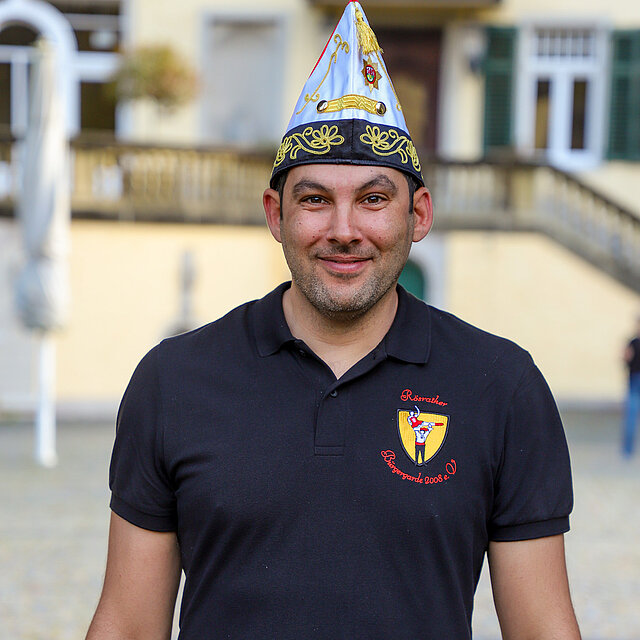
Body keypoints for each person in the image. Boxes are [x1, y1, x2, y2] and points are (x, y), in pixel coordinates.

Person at [86, 2, 581, 638]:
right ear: (276, 214)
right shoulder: (174, 381)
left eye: (373, 199)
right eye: (315, 199)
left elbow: (542, 630)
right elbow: (128, 625)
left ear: (418, 215)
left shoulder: (501, 386)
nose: (344, 230)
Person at [622, 315, 640, 457]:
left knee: (631, 416)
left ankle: (628, 450)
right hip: (634, 379)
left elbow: (626, 357)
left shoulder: (633, 342)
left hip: (634, 378)